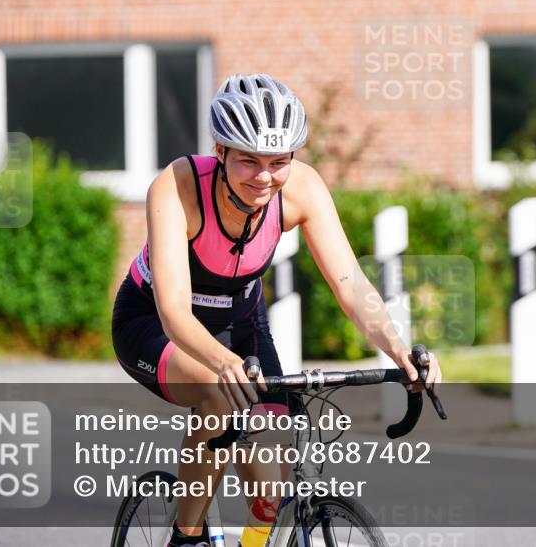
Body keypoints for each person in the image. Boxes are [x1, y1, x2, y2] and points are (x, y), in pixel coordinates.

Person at [112, 73, 441, 547]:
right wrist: (223, 365)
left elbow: (350, 283)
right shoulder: (177, 187)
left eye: (278, 161)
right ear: (220, 152)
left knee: (271, 488)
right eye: (248, 161)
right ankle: (186, 537)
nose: (264, 177)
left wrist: (399, 351)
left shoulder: (301, 189)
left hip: (241, 326)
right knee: (217, 394)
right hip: (155, 326)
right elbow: (174, 312)